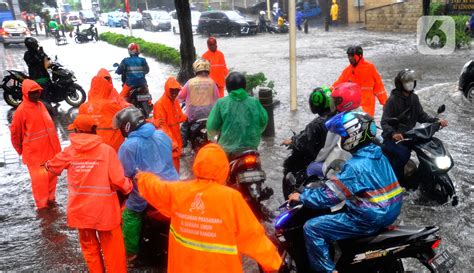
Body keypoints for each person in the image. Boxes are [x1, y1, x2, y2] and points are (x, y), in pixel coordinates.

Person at [135, 143, 282, 273]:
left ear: (197, 164)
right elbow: (253, 237)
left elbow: (155, 187)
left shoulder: (178, 191)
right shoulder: (231, 198)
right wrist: (274, 263)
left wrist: (141, 177)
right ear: (224, 168)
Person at [288, 111, 403, 273]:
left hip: (369, 218)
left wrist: (302, 197)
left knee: (312, 227)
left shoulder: (354, 166)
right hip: (391, 210)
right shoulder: (378, 154)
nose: (341, 139)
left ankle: (328, 270)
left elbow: (329, 196)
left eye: (342, 136)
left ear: (353, 136)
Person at [45, 114, 132, 273]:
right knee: (113, 248)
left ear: (77, 130)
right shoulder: (107, 151)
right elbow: (119, 181)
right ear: (94, 130)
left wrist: (46, 165)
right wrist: (129, 188)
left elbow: (52, 167)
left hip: (81, 212)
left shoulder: (69, 152)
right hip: (105, 212)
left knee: (89, 248)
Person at [114, 106, 179, 262]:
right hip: (172, 187)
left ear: (127, 126)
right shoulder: (161, 135)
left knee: (130, 215)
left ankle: (130, 253)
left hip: (148, 193)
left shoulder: (128, 146)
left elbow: (124, 174)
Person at [381, 69, 448, 182]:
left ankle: (424, 177)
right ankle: (395, 180)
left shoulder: (414, 98)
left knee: (429, 149)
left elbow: (421, 116)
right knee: (403, 154)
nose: (410, 83)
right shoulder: (392, 100)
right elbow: (384, 122)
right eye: (407, 81)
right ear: (400, 84)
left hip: (409, 135)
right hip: (393, 138)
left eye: (412, 81)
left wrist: (436, 121)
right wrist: (393, 133)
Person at [10, 80, 61, 210]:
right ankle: (42, 207)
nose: (35, 95)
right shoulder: (21, 111)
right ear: (26, 94)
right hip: (35, 155)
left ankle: (50, 201)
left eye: (37, 92)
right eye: (32, 93)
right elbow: (15, 134)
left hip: (49, 151)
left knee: (51, 177)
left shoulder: (41, 105)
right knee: (40, 183)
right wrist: (21, 150)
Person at [207, 72, 268, 156]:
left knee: (221, 167)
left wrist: (213, 135)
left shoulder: (221, 103)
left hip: (228, 150)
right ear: (244, 86)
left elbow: (212, 126)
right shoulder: (254, 102)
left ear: (227, 88)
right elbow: (263, 121)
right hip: (251, 147)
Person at [281, 87, 334, 174]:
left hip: (322, 162)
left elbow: (304, 140)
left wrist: (292, 141)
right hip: (335, 160)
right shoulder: (340, 117)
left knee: (293, 167)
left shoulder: (316, 124)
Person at [78, 70, 127, 151]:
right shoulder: (112, 105)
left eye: (108, 79)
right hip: (111, 144)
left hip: (95, 144)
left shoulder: (84, 106)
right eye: (105, 79)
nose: (107, 81)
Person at [331, 45, 387, 116]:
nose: (350, 58)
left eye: (352, 56)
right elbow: (338, 83)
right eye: (349, 56)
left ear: (359, 56)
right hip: (352, 108)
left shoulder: (370, 68)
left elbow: (379, 87)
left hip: (367, 109)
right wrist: (328, 91)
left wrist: (384, 103)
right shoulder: (347, 70)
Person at [153, 77, 187, 172]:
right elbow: (162, 127)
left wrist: (189, 117)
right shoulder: (159, 105)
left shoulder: (175, 101)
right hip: (168, 143)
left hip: (176, 140)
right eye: (172, 91)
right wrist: (172, 143)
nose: (174, 93)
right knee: (169, 171)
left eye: (176, 91)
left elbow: (179, 116)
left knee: (176, 169)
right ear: (167, 90)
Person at [178, 58, 219, 123]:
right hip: (209, 115)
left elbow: (180, 96)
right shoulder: (212, 82)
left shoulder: (190, 82)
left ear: (196, 71)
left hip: (192, 117)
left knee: (185, 127)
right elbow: (217, 99)